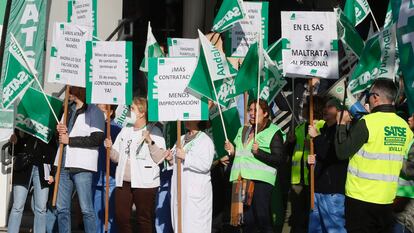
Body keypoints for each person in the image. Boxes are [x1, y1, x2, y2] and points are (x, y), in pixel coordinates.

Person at [335, 79, 413, 233]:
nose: (368, 99)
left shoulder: (367, 122)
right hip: (387, 199)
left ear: (375, 97)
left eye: (369, 95)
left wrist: (342, 124)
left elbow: (342, 152)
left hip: (360, 199)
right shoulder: (404, 126)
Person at [104, 97, 166, 233]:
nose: (128, 112)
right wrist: (109, 150)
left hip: (145, 182)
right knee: (121, 216)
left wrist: (150, 142)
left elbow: (160, 158)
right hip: (124, 181)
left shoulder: (154, 131)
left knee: (143, 218)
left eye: (132, 109)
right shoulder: (126, 130)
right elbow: (117, 157)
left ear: (142, 113)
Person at [224, 99, 286, 233]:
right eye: (250, 110)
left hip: (261, 182)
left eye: (255, 110)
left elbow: (280, 159)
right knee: (247, 222)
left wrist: (260, 153)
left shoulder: (273, 131)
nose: (251, 113)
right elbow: (241, 153)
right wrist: (232, 151)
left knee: (262, 219)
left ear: (265, 113)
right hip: (242, 179)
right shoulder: (243, 129)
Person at [55, 86, 105, 233]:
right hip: (63, 164)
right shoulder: (67, 110)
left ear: (77, 92)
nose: (67, 93)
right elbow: (60, 136)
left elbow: (97, 139)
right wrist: (58, 130)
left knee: (86, 209)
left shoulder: (94, 111)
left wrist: (69, 140)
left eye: (70, 90)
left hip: (82, 165)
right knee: (62, 208)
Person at [307, 98, 348, 233]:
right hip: (318, 188)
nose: (325, 109)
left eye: (330, 107)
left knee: (334, 229)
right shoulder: (324, 129)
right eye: (325, 106)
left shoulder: (341, 132)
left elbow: (331, 154)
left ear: (339, 111)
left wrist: (316, 137)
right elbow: (322, 156)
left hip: (332, 193)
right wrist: (313, 160)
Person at [167, 120, 214, 233]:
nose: (185, 120)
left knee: (194, 227)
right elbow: (175, 162)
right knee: (179, 226)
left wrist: (185, 157)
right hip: (180, 191)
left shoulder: (205, 141)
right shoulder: (181, 138)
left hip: (195, 195)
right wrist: (170, 159)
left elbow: (205, 165)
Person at [286, 98, 324, 233]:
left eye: (306, 107)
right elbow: (290, 152)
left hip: (313, 178)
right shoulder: (300, 127)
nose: (303, 109)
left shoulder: (322, 126)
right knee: (296, 215)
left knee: (310, 215)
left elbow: (326, 151)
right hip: (297, 179)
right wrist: (290, 142)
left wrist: (315, 142)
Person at [7, 130, 57, 233]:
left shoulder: (48, 125)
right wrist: (14, 143)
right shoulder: (24, 124)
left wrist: (52, 172)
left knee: (41, 209)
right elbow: (14, 151)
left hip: (43, 169)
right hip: (23, 168)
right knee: (17, 206)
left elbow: (53, 151)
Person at [93, 104, 122, 233]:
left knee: (110, 218)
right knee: (96, 216)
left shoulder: (117, 129)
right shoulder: (94, 127)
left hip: (110, 179)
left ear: (110, 112)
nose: (98, 112)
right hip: (95, 177)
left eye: (102, 110)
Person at [393, 114, 414, 233]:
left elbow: (411, 169)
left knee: (401, 227)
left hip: (407, 198)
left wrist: (394, 158)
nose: (409, 118)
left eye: (413, 117)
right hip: (402, 196)